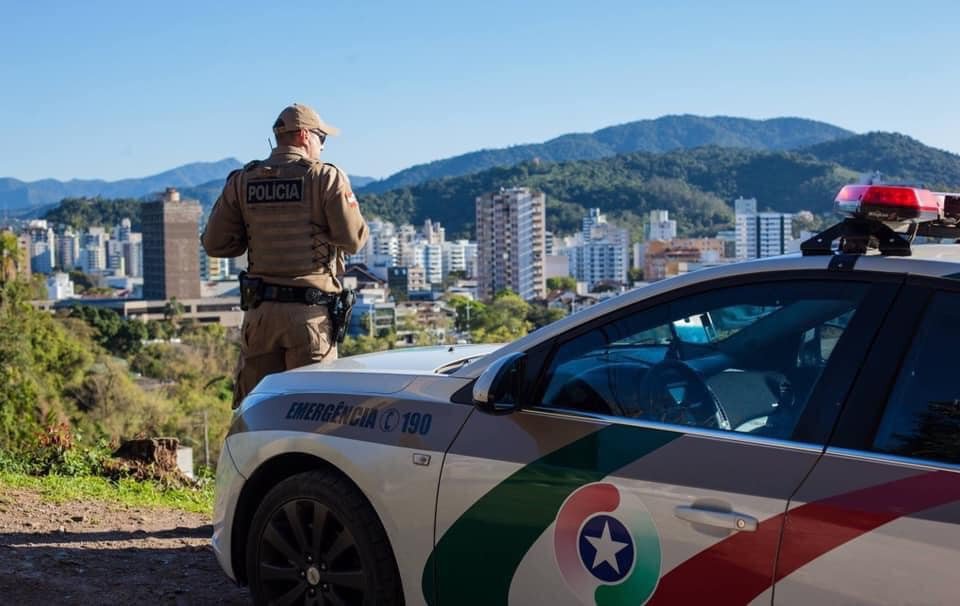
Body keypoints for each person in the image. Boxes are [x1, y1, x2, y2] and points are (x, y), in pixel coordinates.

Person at [202, 103, 368, 407]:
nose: (322, 145)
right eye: (322, 137)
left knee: (255, 410)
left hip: (260, 316)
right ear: (305, 135)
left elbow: (216, 244)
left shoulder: (242, 180)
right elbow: (354, 239)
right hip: (310, 317)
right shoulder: (325, 177)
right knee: (313, 412)